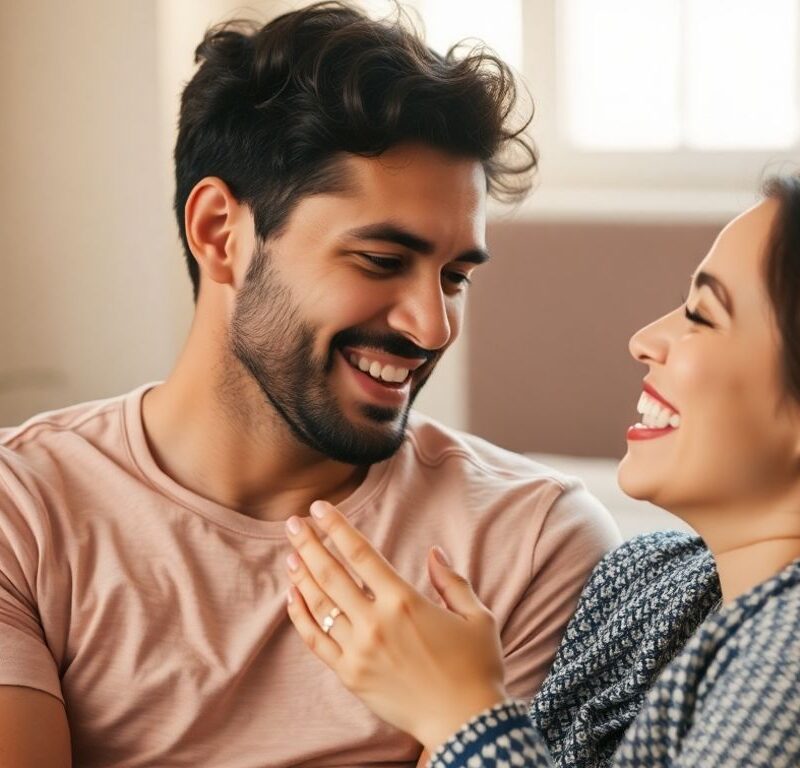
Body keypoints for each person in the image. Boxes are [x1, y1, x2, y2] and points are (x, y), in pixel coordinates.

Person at [0, 3, 621, 766]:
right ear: (220, 233)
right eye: (381, 261)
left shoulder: (530, 545)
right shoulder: (21, 515)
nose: (433, 328)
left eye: (454, 276)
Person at [283, 178, 800, 767]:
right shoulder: (644, 580)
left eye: (702, 317)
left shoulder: (788, 652)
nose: (643, 339)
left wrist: (461, 715)